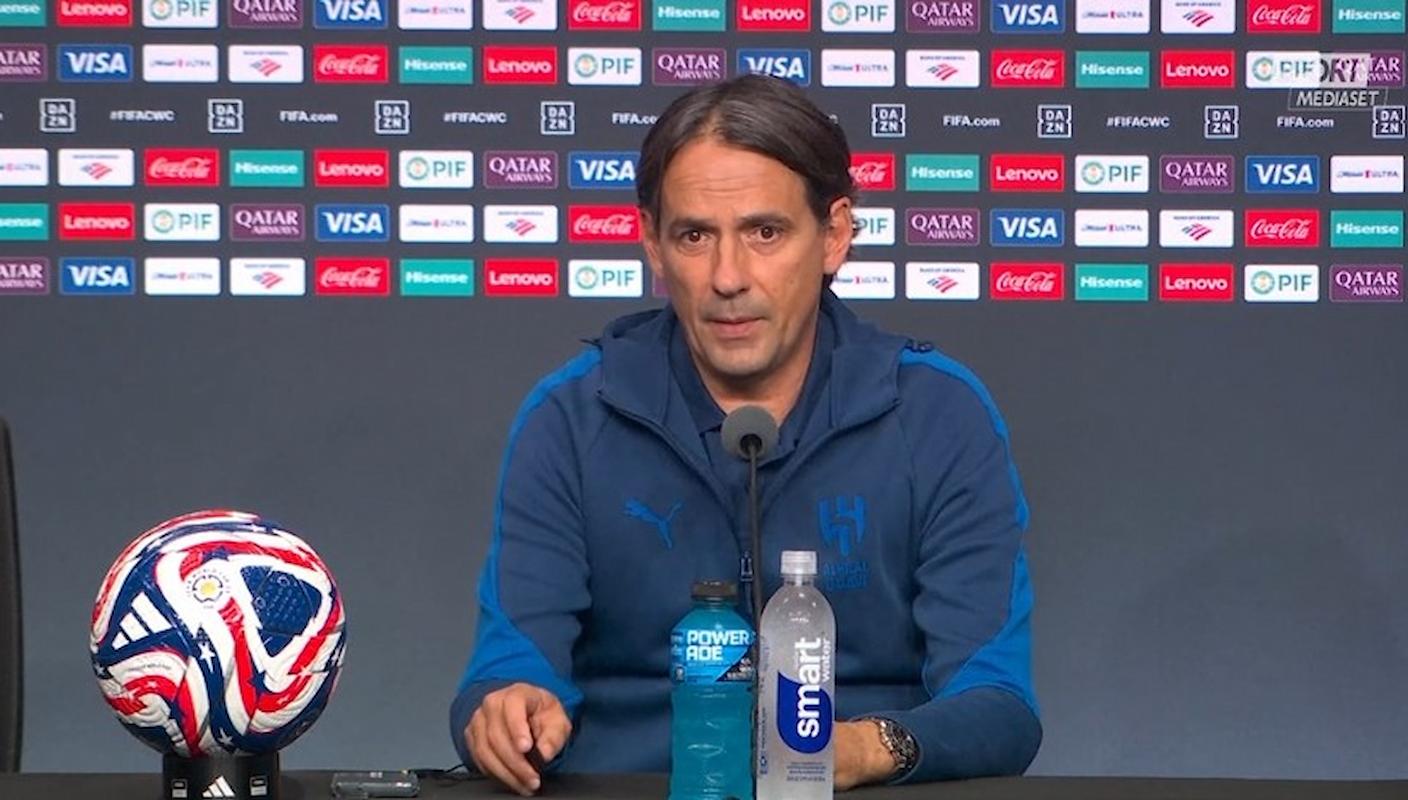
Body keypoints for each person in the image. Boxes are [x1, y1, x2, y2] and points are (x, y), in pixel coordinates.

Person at [450, 74, 1040, 795]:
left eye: (765, 233)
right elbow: (507, 667)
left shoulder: (940, 413)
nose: (728, 277)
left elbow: (998, 705)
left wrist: (858, 749)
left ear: (834, 235)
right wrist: (504, 709)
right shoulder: (570, 417)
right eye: (694, 236)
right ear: (653, 245)